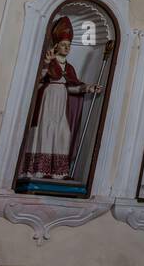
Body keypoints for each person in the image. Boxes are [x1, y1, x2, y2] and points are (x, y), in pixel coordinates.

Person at [22, 15, 101, 179]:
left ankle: (58, 172)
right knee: (45, 132)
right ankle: (38, 170)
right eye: (64, 45)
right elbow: (36, 81)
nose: (67, 48)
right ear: (56, 46)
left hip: (62, 104)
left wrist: (87, 87)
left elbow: (71, 86)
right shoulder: (48, 62)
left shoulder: (69, 67)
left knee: (63, 134)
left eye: (69, 45)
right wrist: (45, 65)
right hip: (47, 101)